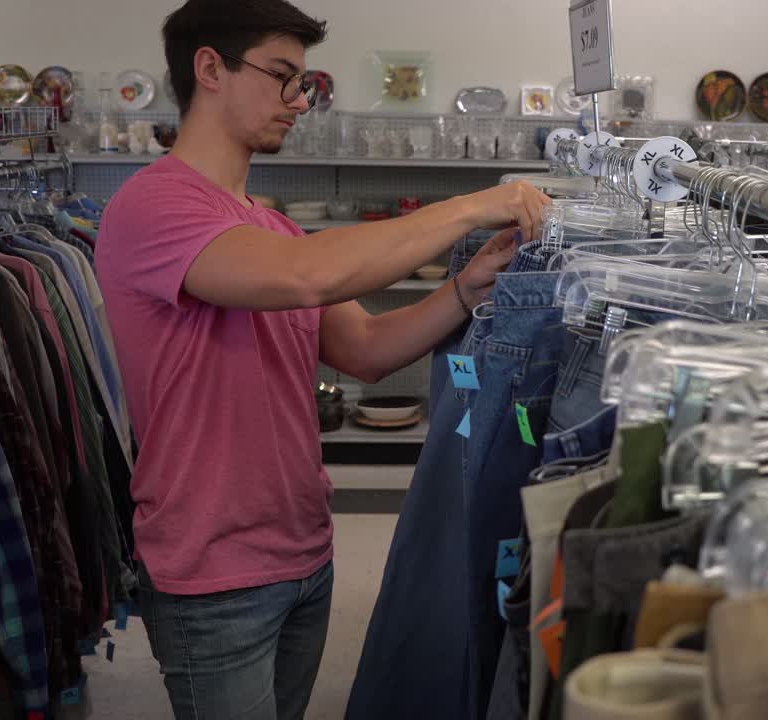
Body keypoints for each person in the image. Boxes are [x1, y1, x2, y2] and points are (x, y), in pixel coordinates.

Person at [94, 0, 552, 717]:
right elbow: (308, 276)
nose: (299, 100)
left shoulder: (272, 226)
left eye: (301, 81)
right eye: (283, 76)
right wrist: (473, 206)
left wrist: (465, 290)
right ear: (210, 68)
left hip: (302, 550)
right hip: (212, 568)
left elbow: (365, 349)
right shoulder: (151, 207)